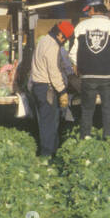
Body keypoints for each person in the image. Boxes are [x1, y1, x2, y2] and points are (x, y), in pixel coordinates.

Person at [72, 3, 110, 140]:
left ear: (94, 10)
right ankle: (108, 139)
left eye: (89, 9)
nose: (88, 12)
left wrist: (79, 67)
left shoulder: (80, 27)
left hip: (87, 76)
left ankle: (85, 138)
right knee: (108, 111)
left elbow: (72, 52)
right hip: (108, 76)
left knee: (87, 110)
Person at [30, 20, 75, 159]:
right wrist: (62, 91)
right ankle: (47, 155)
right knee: (49, 123)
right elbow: (54, 72)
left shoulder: (43, 40)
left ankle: (50, 152)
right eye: (65, 39)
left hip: (38, 86)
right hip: (46, 89)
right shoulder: (52, 46)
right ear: (61, 35)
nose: (64, 42)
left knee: (45, 121)